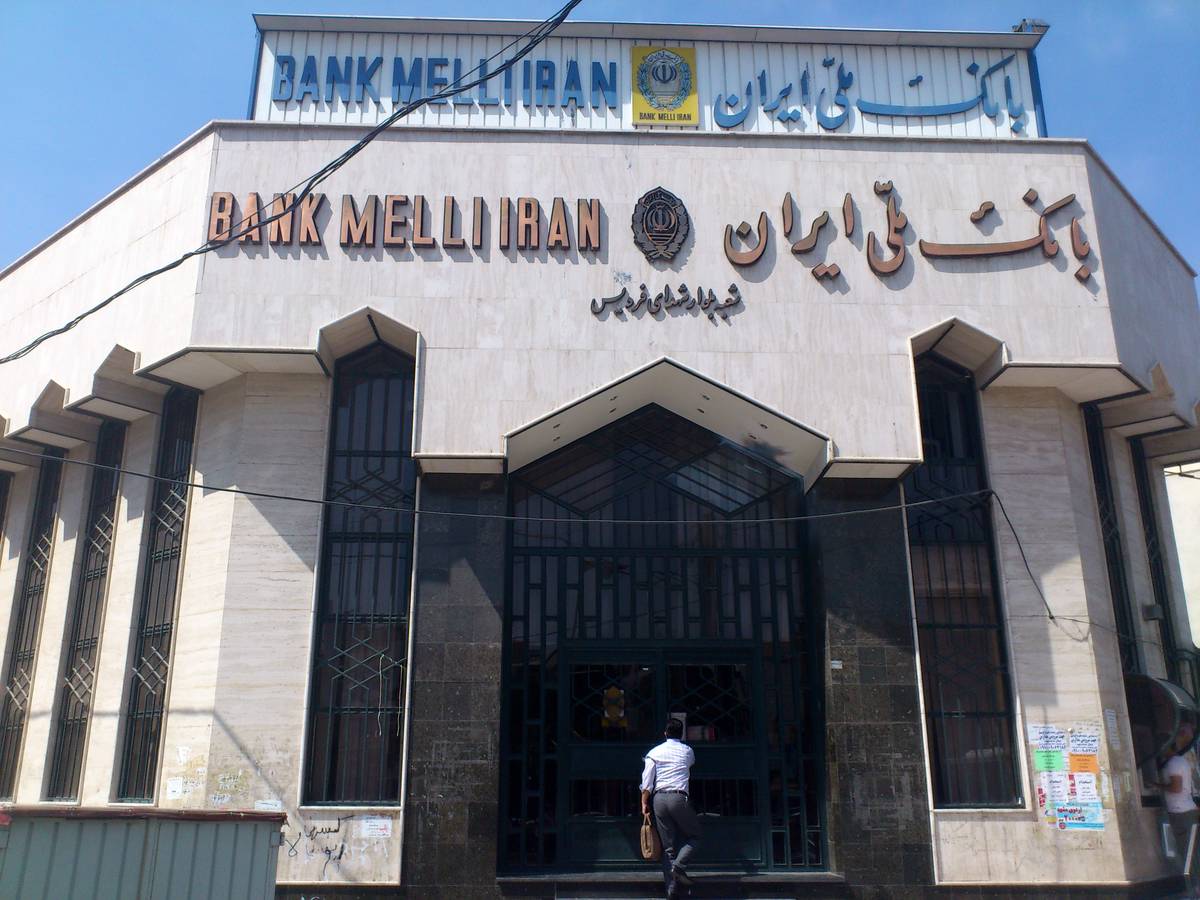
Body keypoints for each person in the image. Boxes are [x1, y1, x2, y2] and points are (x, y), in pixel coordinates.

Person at [641, 717, 701, 898]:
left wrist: (644, 802)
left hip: (659, 799)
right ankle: (679, 867)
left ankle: (671, 889)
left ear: (665, 733)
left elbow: (647, 781)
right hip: (678, 797)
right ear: (681, 734)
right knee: (695, 835)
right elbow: (690, 763)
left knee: (668, 847)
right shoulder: (687, 751)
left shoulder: (654, 752)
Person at [1162, 721, 1199, 888]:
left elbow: (1175, 788)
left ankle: (1195, 888)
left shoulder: (1172, 764)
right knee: (1194, 851)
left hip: (1180, 812)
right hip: (1188, 809)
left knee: (1188, 853)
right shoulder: (1182, 761)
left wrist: (1157, 785)